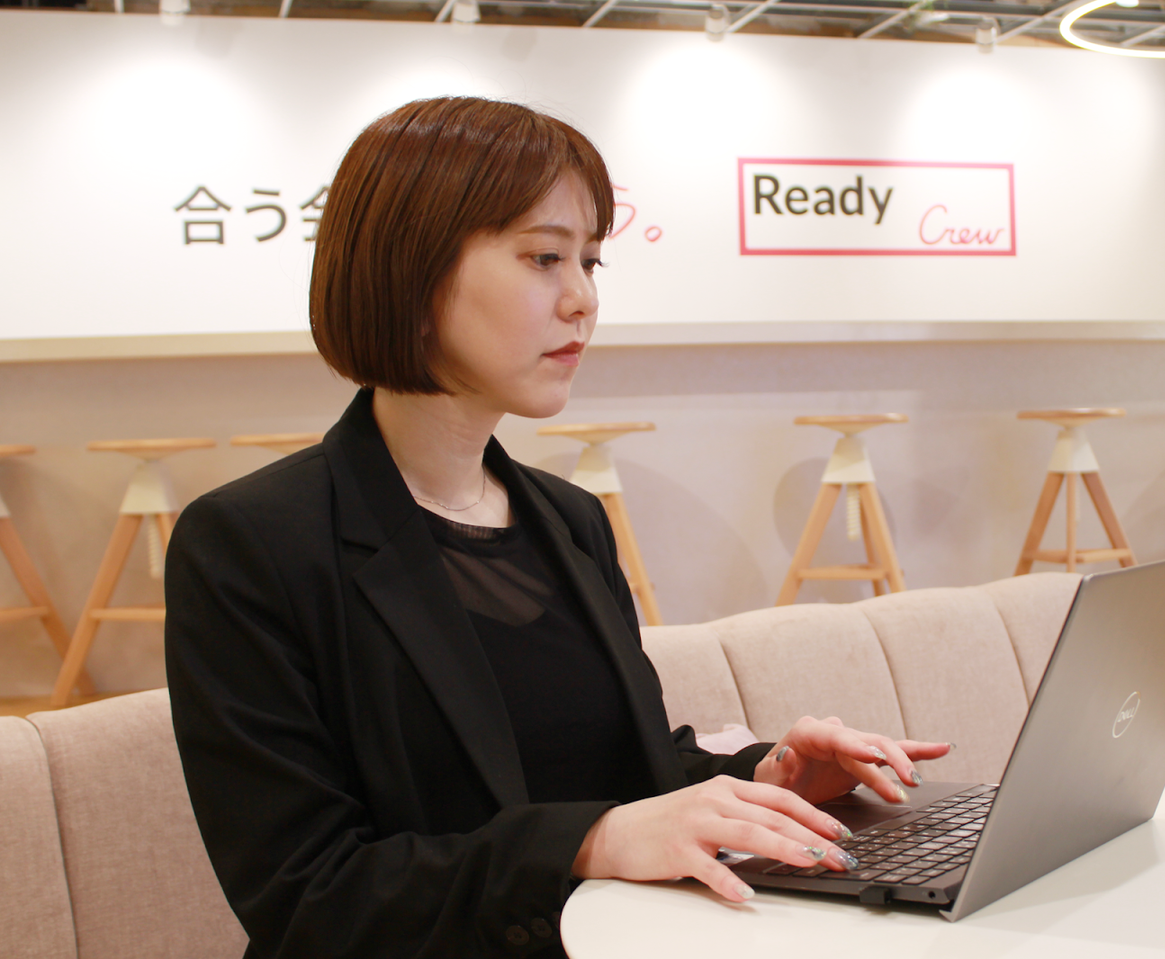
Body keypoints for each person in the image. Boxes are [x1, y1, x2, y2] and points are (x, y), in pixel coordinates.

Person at [164, 96, 950, 959]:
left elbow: (614, 771)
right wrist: (589, 842)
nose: (582, 299)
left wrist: (765, 775)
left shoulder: (568, 519)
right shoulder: (250, 544)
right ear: (411, 271)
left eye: (590, 260)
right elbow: (309, 895)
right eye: (544, 258)